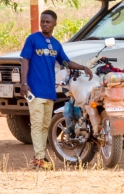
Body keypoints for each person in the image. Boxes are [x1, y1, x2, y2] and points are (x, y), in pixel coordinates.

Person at [20, 10, 92, 170]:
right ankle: (39, 158)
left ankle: (40, 157)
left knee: (45, 125)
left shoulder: (56, 44)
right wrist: (23, 83)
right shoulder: (32, 39)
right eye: (42, 21)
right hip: (35, 90)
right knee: (37, 124)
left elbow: (65, 62)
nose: (44, 24)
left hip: (49, 92)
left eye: (48, 22)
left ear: (54, 24)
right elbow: (24, 61)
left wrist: (83, 67)